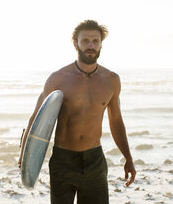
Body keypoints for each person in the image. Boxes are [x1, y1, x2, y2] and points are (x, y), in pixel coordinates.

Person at [18, 20, 136, 204]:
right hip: (63, 160)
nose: (91, 45)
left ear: (101, 44)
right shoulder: (58, 79)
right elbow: (36, 120)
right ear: (76, 44)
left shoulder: (111, 80)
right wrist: (25, 157)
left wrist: (128, 158)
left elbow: (116, 120)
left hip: (95, 160)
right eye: (86, 41)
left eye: (95, 41)